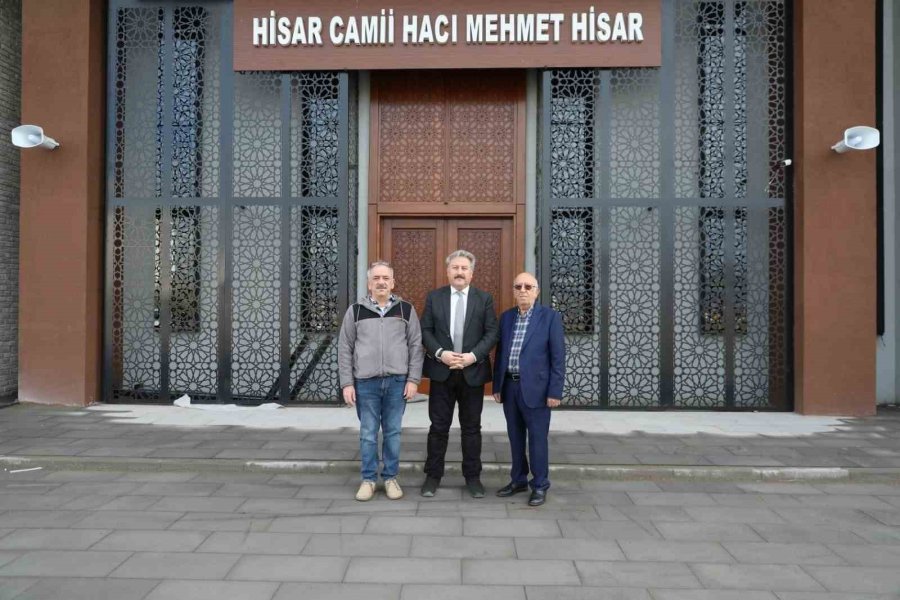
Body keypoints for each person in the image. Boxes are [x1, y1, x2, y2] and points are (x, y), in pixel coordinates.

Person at [338, 261, 424, 502]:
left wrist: (413, 379)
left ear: (393, 282)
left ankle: (390, 478)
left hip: (397, 382)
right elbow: (345, 348)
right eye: (376, 278)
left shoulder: (406, 310)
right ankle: (368, 480)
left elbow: (416, 346)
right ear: (369, 283)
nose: (381, 282)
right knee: (368, 433)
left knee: (393, 433)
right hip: (366, 383)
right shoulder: (355, 311)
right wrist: (347, 383)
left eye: (386, 278)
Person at [419, 250, 499, 498]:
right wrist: (441, 353)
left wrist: (472, 356)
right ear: (448, 271)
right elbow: (425, 330)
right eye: (455, 267)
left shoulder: (483, 299)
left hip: (472, 372)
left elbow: (491, 332)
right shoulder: (435, 297)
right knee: (438, 427)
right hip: (442, 371)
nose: (460, 272)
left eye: (464, 268)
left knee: (472, 428)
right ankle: (432, 477)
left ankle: (473, 478)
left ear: (472, 273)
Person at [492, 272, 565, 507]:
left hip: (538, 390)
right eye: (518, 286)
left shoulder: (550, 317)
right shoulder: (506, 318)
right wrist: (497, 385)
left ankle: (540, 484)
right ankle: (518, 480)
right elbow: (501, 353)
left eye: (528, 286)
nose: (523, 290)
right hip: (510, 387)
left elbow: (558, 357)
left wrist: (555, 392)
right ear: (513, 291)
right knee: (515, 438)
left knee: (537, 439)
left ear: (536, 291)